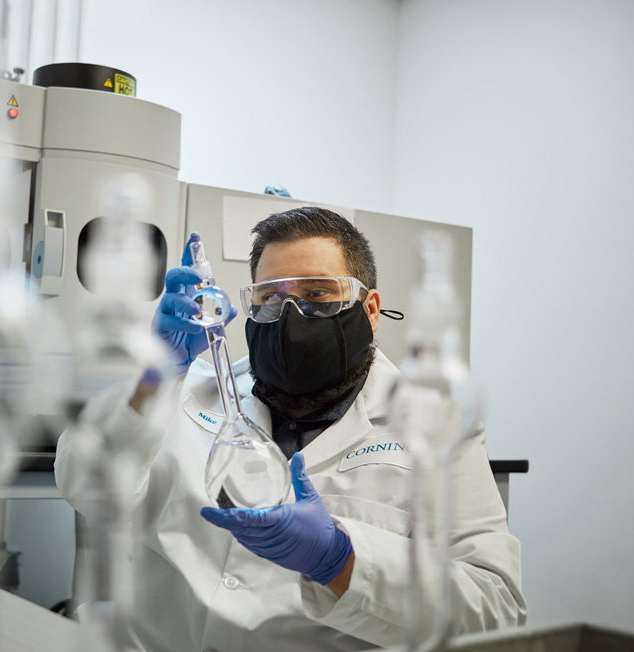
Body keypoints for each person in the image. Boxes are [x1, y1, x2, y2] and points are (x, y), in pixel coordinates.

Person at [55, 207, 527, 651]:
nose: (290, 315)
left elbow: (496, 607)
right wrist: (153, 377)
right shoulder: (189, 388)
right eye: (270, 298)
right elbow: (83, 483)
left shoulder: (434, 427)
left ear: (370, 308)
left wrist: (341, 560)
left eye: (317, 294)